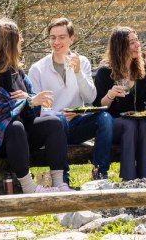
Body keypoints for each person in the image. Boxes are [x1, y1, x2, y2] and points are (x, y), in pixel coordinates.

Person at [0, 18, 71, 193]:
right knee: (14, 127)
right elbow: (0, 114)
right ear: (6, 43)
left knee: (53, 123)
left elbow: (28, 109)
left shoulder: (17, 71)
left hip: (18, 141)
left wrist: (32, 100)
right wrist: (29, 101)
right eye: (18, 37)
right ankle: (29, 187)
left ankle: (59, 183)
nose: (22, 40)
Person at [28, 17, 113, 181]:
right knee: (58, 120)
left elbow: (91, 97)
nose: (56, 42)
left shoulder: (83, 62)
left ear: (71, 39)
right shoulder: (37, 69)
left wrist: (78, 72)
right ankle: (63, 178)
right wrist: (58, 113)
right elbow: (35, 109)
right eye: (53, 37)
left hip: (76, 123)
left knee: (105, 118)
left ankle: (100, 174)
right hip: (53, 128)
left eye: (62, 37)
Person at [93, 26, 146, 181]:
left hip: (139, 121)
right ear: (120, 47)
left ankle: (145, 179)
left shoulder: (141, 68)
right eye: (132, 42)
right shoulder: (105, 72)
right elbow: (99, 106)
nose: (137, 45)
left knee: (145, 124)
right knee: (130, 124)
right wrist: (111, 94)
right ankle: (129, 179)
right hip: (115, 124)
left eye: (137, 40)